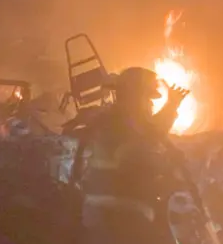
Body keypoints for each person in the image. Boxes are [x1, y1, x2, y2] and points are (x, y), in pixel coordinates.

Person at [81, 67, 189, 204]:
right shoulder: (125, 125)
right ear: (136, 97)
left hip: (98, 207)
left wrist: (171, 105)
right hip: (125, 210)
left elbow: (152, 129)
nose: (150, 105)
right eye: (148, 99)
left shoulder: (109, 119)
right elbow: (151, 136)